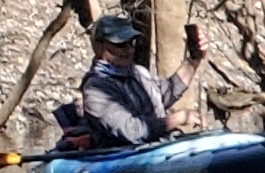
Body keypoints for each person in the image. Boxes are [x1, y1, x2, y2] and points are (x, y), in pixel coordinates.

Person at [58, 10, 199, 150]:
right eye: (120, 44)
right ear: (99, 47)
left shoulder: (138, 73)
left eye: (131, 42)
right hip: (122, 158)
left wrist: (193, 61)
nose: (128, 49)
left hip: (157, 147)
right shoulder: (95, 88)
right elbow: (132, 131)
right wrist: (178, 118)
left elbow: (165, 93)